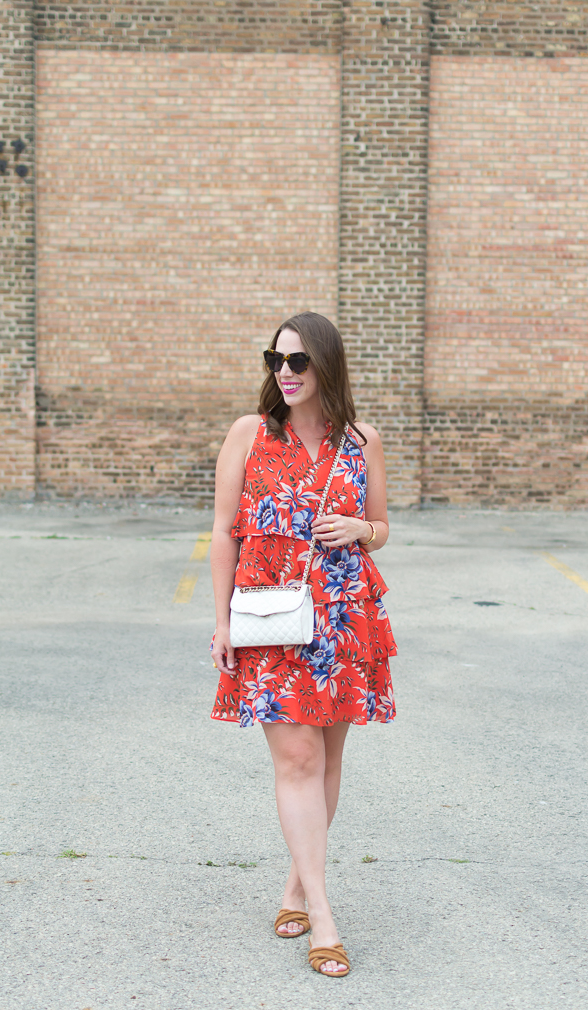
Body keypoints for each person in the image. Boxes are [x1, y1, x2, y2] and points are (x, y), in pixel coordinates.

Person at [209, 311, 396, 978]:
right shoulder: (250, 434)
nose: (283, 373)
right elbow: (224, 532)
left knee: (326, 758)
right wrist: (223, 621)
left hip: (346, 616)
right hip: (270, 619)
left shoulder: (360, 440)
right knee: (296, 757)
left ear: (325, 366)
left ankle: (294, 885)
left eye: (297, 362)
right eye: (274, 360)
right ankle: (323, 915)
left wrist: (360, 529)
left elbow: (381, 527)